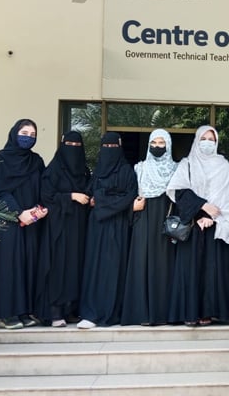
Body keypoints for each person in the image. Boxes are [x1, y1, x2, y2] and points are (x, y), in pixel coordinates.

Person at [0, 118, 48, 330]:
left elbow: (43, 188)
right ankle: (7, 314)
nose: (28, 138)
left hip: (32, 221)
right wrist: (19, 213)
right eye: (24, 133)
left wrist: (39, 210)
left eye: (32, 135)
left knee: (28, 265)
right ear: (14, 133)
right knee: (9, 267)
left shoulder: (36, 161)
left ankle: (23, 311)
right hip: (9, 220)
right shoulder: (1, 159)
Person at [167, 125, 229, 326]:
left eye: (211, 139)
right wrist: (201, 209)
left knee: (211, 272)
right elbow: (178, 191)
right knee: (190, 270)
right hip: (192, 224)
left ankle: (209, 313)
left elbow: (225, 197)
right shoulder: (187, 164)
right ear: (197, 140)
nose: (207, 143)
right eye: (203, 138)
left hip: (214, 225)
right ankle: (190, 313)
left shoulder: (223, 165)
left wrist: (212, 218)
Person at [77, 132, 137, 329]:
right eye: (106, 147)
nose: (110, 151)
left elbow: (130, 197)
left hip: (117, 228)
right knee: (93, 268)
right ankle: (91, 313)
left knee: (113, 269)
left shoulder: (128, 171)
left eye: (114, 147)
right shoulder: (97, 173)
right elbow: (89, 196)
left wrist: (101, 200)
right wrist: (101, 199)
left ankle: (111, 313)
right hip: (96, 228)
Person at [121, 129, 178, 326]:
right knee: (141, 263)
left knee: (164, 264)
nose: (157, 147)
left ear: (168, 145)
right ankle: (141, 314)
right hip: (143, 219)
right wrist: (132, 206)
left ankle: (163, 313)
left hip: (166, 219)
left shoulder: (177, 169)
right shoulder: (140, 168)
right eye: (154, 143)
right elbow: (129, 195)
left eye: (162, 143)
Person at [35, 131, 91, 327]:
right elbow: (47, 196)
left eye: (77, 146)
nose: (73, 149)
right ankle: (54, 311)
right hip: (58, 228)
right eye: (69, 144)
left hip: (78, 228)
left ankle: (70, 309)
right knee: (58, 266)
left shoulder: (84, 171)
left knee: (75, 267)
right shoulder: (53, 170)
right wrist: (71, 196)